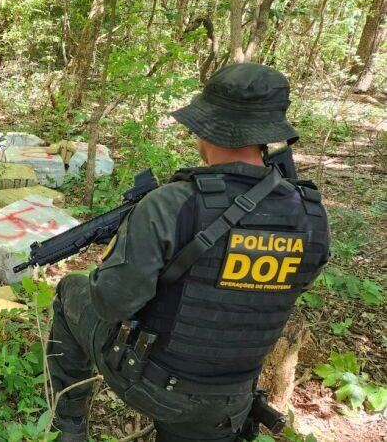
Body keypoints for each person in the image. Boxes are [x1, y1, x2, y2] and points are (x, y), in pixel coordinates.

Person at [48, 63, 330, 442]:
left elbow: (111, 303)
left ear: (204, 128)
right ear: (267, 136)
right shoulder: (311, 213)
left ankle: (67, 430)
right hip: (233, 399)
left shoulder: (171, 204)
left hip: (159, 385)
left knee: (70, 291)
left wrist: (116, 259)